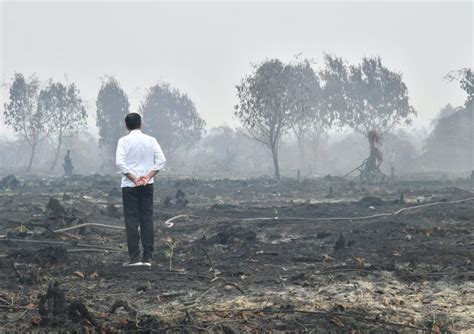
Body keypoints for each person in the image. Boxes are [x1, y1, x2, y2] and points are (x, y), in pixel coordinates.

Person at [116, 113, 166, 267]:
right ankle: (148, 257)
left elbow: (120, 163)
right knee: (146, 218)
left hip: (130, 186)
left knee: (131, 220)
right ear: (141, 124)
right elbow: (161, 161)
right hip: (147, 185)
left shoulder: (123, 141)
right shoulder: (151, 140)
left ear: (126, 125)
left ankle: (134, 257)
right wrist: (147, 176)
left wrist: (133, 178)